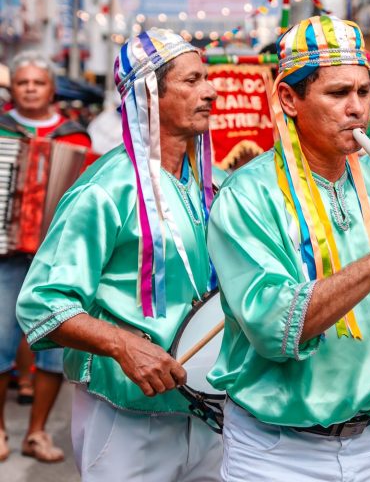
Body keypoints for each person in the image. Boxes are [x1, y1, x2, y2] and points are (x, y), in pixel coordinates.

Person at [206, 15, 370, 481]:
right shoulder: (247, 196)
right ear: (289, 99)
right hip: (276, 453)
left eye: (363, 92)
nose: (357, 109)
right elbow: (274, 328)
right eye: (338, 93)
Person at [15, 29, 222, 479]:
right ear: (150, 95)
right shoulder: (105, 190)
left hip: (209, 412)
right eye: (192, 81)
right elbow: (41, 303)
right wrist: (122, 344)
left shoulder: (212, 182)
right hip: (128, 416)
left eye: (206, 78)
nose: (210, 91)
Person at [0, 51, 91, 463]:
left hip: (57, 257)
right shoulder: (3, 128)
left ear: (51, 88)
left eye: (38, 82)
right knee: (0, 343)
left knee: (55, 347)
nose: (31, 89)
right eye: (23, 82)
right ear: (13, 88)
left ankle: (36, 433)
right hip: (6, 251)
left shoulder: (75, 136)